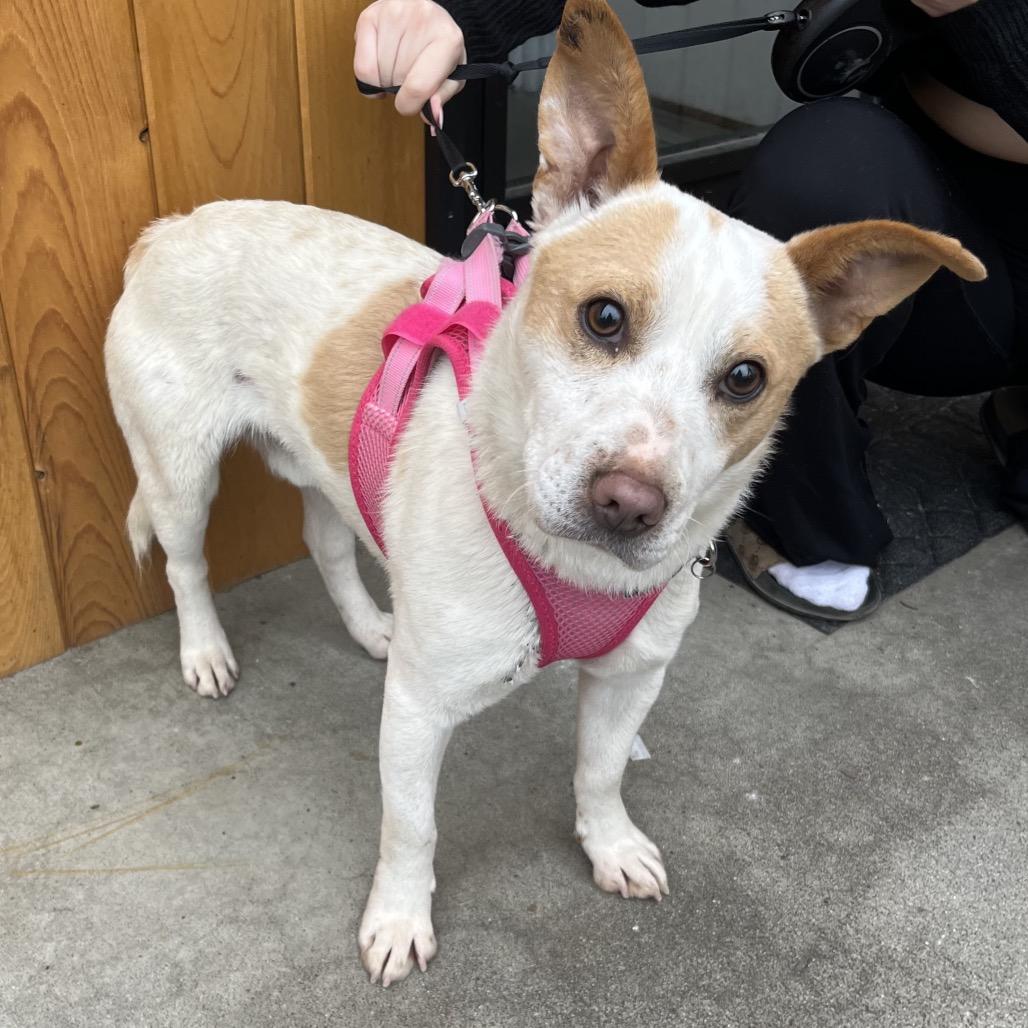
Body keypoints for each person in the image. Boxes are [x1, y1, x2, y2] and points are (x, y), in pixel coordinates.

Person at [354, 0, 1028, 620]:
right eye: (605, 321)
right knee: (833, 161)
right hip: (929, 200)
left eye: (740, 378)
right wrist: (462, 14)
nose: (633, 489)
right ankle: (806, 524)